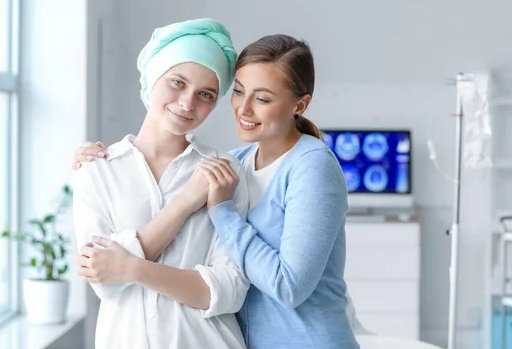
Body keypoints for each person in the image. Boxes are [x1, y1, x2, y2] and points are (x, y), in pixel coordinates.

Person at [74, 34, 360, 348]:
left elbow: (288, 286)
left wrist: (221, 211)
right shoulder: (234, 163)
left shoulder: (312, 167)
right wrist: (96, 160)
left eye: (262, 99)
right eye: (238, 92)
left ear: (299, 105)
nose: (244, 109)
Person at [72, 18, 250, 349]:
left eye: (205, 94)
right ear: (152, 77)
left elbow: (228, 291)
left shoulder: (226, 172)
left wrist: (131, 268)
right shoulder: (96, 171)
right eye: (177, 82)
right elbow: (104, 283)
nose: (187, 102)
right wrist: (185, 203)